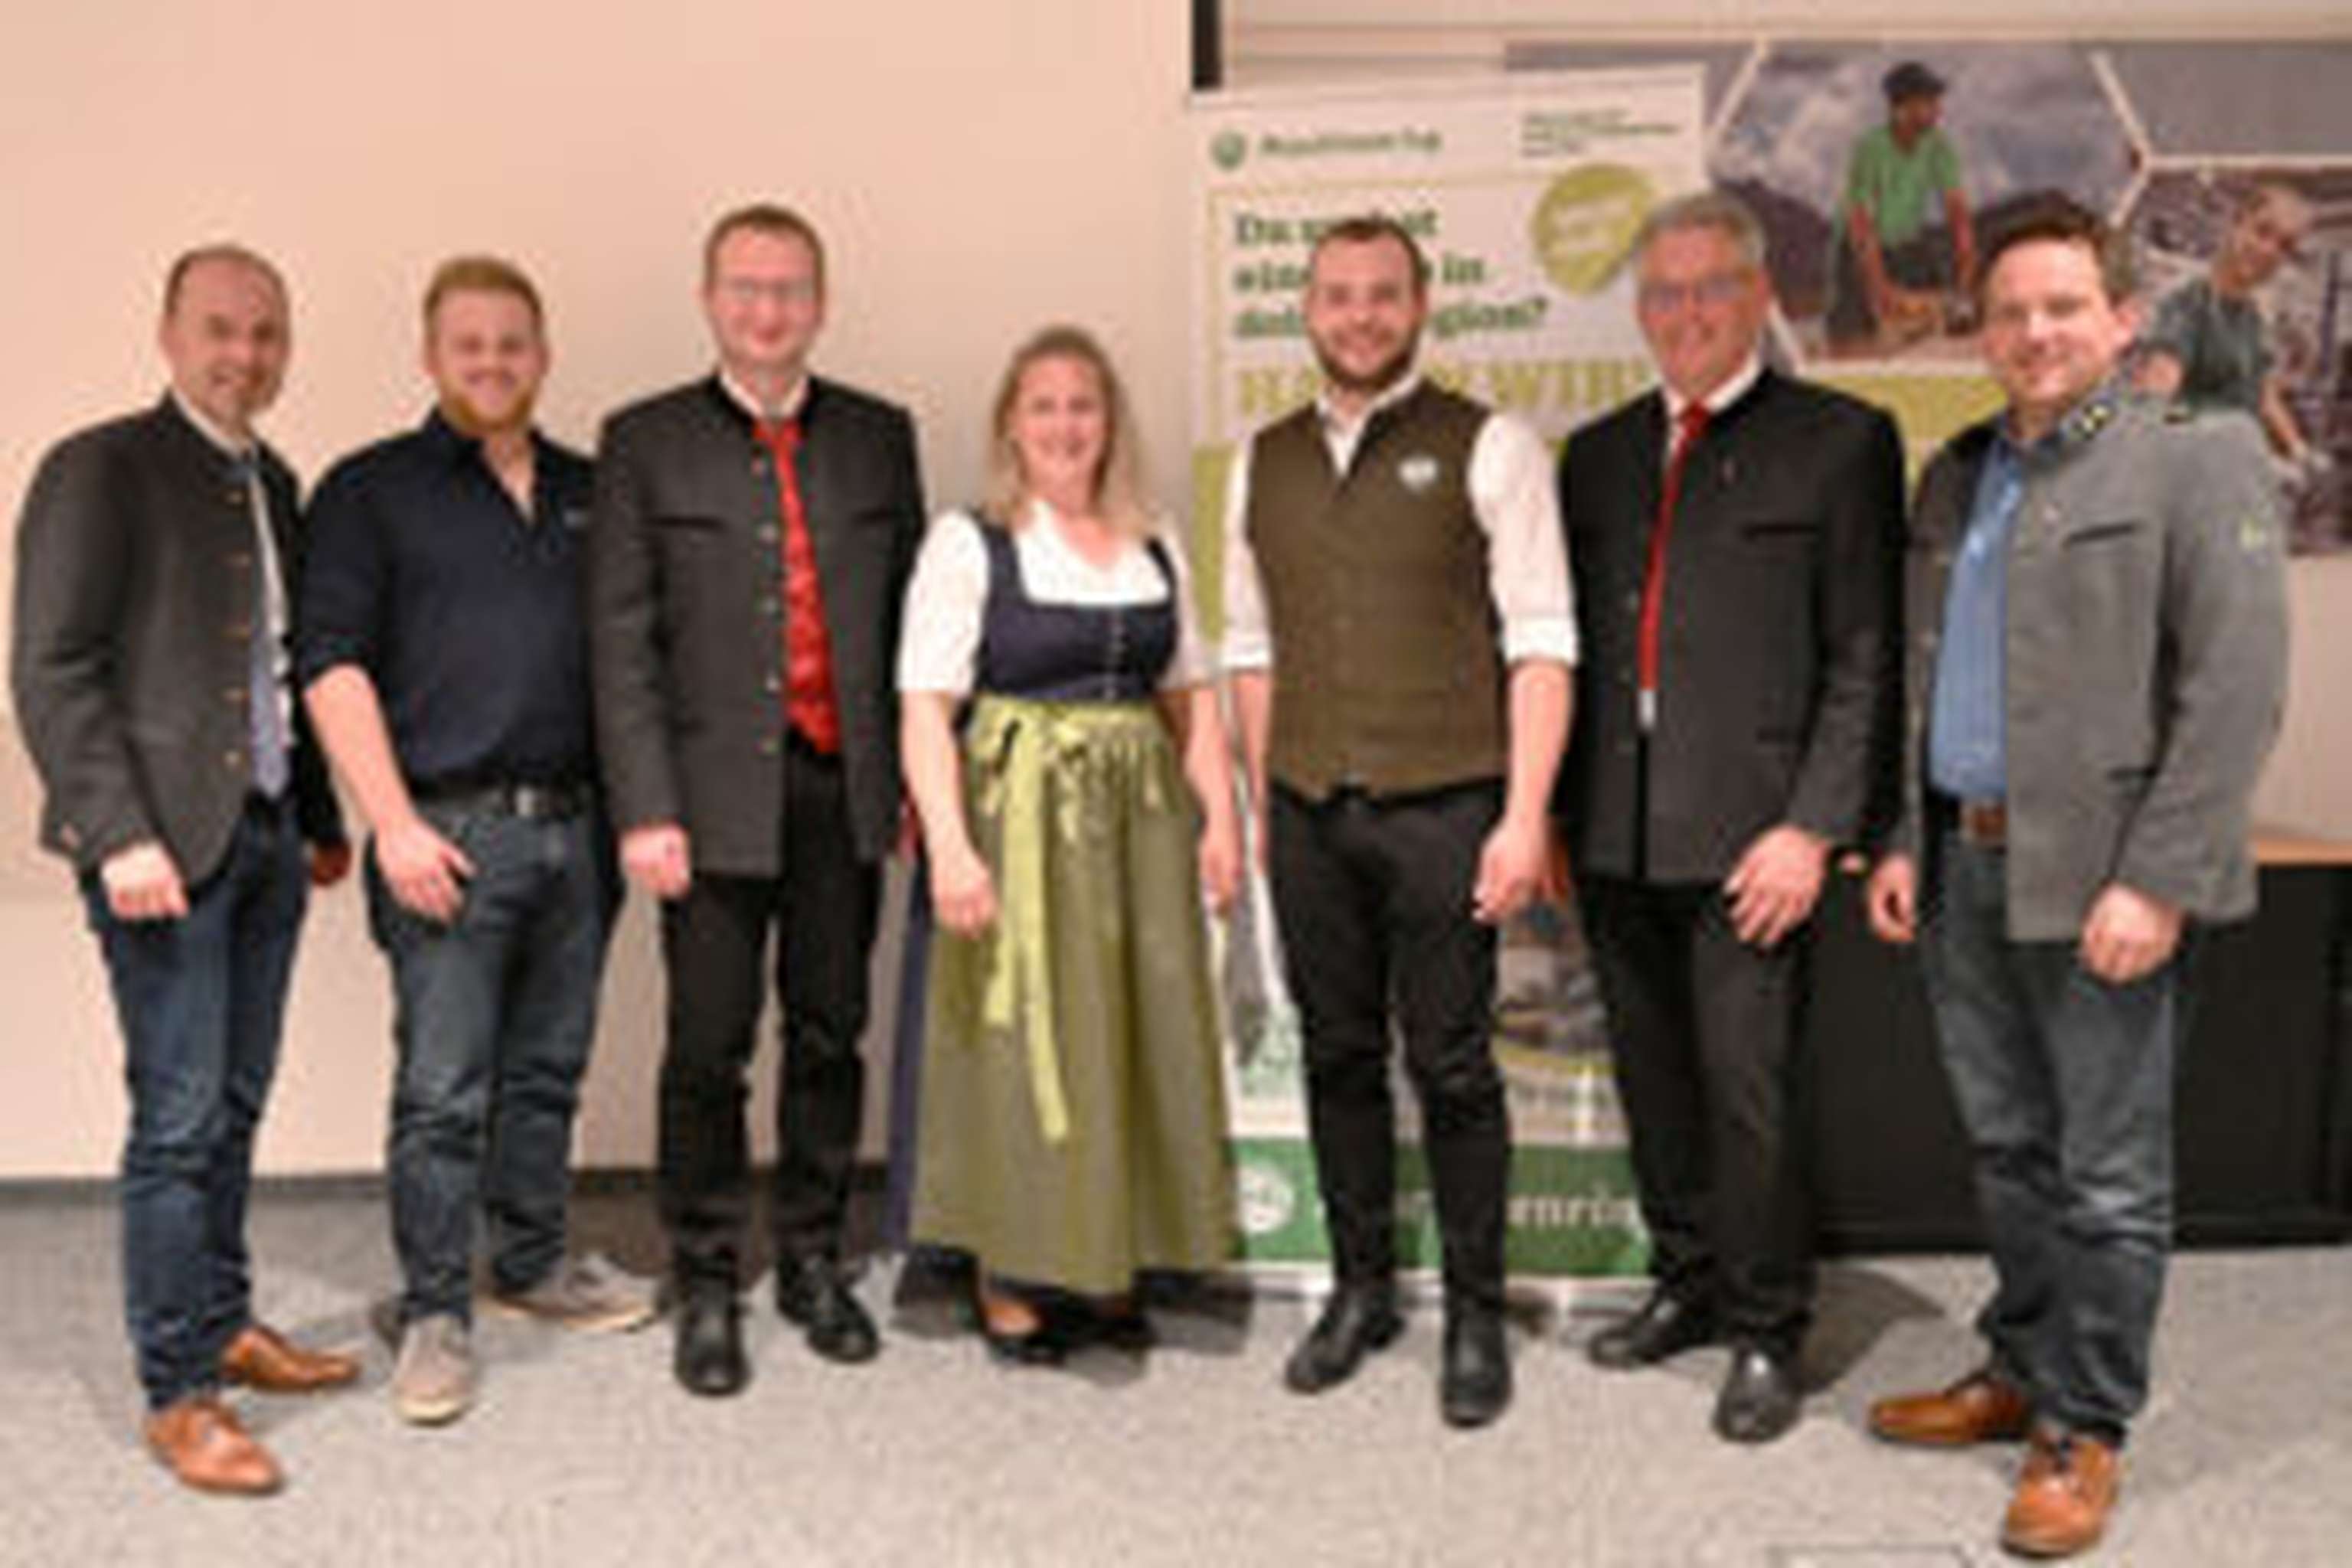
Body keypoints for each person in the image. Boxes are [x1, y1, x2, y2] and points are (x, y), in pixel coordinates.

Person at [1864, 198, 2287, 1559]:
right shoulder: (1956, 470)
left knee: (2106, 1171)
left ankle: (2083, 1423)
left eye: (2061, 306)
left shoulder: (2195, 458)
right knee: (2008, 1148)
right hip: (1959, 867)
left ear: (2117, 318)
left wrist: (2157, 878)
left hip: (2104, 880)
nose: (2033, 331)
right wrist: (1896, 837)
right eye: (2007, 312)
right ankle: (2020, 1365)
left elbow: (2233, 692)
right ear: (1980, 334)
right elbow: (1921, 676)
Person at [1554, 191, 1904, 1443]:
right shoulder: (1591, 454)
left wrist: (1812, 827)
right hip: (1614, 828)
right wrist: (1550, 816)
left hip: (1757, 839)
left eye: (1709, 287)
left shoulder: (1839, 439)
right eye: (1662, 292)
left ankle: (1764, 1324)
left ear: (1757, 296)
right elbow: (1569, 651)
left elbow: (1867, 658)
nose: (1684, 311)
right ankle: (1688, 1281)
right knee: (1651, 1078)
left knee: (1747, 1091)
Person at [11, 245, 356, 1494]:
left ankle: (224, 1320)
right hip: (159, 847)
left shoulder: (278, 479)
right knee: (176, 1117)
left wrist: (319, 818)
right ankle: (179, 1392)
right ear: (168, 333)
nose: (244, 355)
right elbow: (51, 668)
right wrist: (118, 832)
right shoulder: (99, 469)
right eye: (220, 329)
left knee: (238, 1101)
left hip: (264, 838)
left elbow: (281, 668)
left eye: (266, 334)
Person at [1224, 214, 1575, 1429]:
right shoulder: (1255, 460)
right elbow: (1251, 648)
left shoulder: (1492, 446)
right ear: (1306, 310)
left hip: (1448, 809)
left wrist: (1524, 815)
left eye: (1382, 295)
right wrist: (1271, 798)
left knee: (1455, 1064)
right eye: (1337, 296)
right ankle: (1361, 1289)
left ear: (1422, 306)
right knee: (1335, 1056)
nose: (1359, 315)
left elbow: (1541, 641)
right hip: (1311, 812)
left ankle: (1475, 1312)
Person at [299, 256, 654, 1428]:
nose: (493, 363)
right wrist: (390, 824)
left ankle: (535, 1263)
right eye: (469, 345)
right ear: (431, 356)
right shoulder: (369, 490)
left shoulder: (592, 488)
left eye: (513, 343)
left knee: (547, 1073)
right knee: (444, 1092)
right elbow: (331, 666)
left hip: (578, 833)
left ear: (542, 355)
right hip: (443, 835)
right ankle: (437, 1309)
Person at [590, 204, 926, 1396]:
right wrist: (644, 806)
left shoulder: (883, 438)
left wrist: (910, 787)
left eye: (788, 290)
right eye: (745, 288)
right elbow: (621, 643)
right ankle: (707, 1273)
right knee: (708, 1048)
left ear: (820, 304)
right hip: (707, 799)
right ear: (709, 299)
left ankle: (815, 1262)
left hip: (844, 791)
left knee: (833, 1031)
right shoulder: (644, 439)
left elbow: (905, 633)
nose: (768, 310)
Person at [899, 325, 1241, 1361]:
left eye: (1082, 404)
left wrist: (1220, 818)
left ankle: (1114, 1253)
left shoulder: (1154, 539)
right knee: (1022, 1039)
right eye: (1042, 405)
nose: (1064, 424)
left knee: (1131, 1031)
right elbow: (923, 706)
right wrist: (953, 849)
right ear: (1012, 421)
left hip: (1136, 825)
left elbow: (1190, 696)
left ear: (1109, 422)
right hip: (1018, 821)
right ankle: (1013, 1265)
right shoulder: (971, 542)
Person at [2135, 181, 2316, 464]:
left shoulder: (2251, 318)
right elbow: (2151, 406)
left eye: (2284, 246)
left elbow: (2263, 393)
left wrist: (2299, 449)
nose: (2268, 251)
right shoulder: (2190, 307)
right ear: (2236, 225)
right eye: (2262, 231)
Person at [1826, 60, 1978, 354]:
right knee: (1852, 338)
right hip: (1860, 247)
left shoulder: (1939, 146)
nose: (1936, 109)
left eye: (1937, 101)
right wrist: (1879, 286)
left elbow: (1957, 212)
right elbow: (1861, 224)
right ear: (1901, 108)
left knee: (1937, 313)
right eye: (1927, 101)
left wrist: (1966, 269)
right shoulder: (1871, 148)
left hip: (1906, 242)